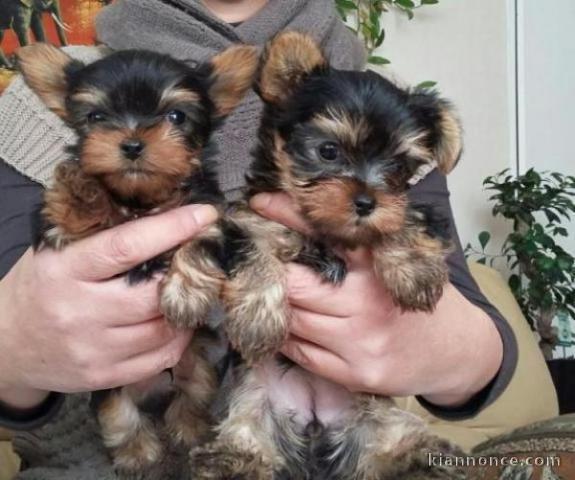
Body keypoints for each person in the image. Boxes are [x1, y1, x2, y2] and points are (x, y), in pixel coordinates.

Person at [0, 0, 516, 478]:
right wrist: (15, 344)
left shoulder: (395, 100)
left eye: (177, 118)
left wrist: (447, 349)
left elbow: (472, 338)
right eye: (330, 154)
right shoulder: (39, 104)